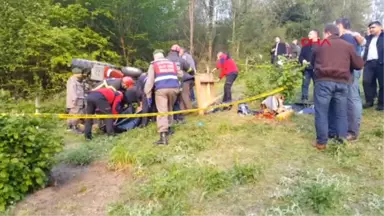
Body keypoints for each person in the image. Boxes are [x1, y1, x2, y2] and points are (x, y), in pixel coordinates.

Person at [311, 24, 364, 150]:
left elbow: (312, 63)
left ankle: (321, 142)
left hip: (323, 81)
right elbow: (359, 64)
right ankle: (341, 141)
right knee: (341, 113)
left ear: (327, 33)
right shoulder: (348, 46)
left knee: (321, 112)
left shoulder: (319, 45)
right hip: (342, 83)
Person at [144, 49, 183, 145]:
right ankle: (169, 129)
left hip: (161, 90)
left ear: (154, 57)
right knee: (169, 109)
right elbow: (181, 74)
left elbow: (150, 82)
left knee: (162, 112)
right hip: (174, 89)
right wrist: (179, 84)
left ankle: (163, 137)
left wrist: (148, 95)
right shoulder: (172, 63)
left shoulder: (154, 65)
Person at [335, 18, 363, 141]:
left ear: (340, 26)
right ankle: (348, 127)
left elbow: (350, 58)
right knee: (350, 98)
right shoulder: (350, 37)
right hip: (351, 70)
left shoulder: (347, 38)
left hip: (351, 71)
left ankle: (352, 132)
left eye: (336, 26)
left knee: (352, 99)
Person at [167, 44, 193, 124]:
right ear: (178, 52)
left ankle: (172, 118)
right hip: (178, 83)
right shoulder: (181, 60)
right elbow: (190, 69)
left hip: (167, 83)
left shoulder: (165, 59)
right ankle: (179, 118)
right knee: (178, 100)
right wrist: (186, 73)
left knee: (170, 102)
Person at [362, 21, 384, 111]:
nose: (371, 29)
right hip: (369, 63)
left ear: (380, 27)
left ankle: (381, 103)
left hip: (381, 63)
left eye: (373, 27)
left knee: (382, 84)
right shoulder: (368, 38)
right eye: (370, 28)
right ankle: (369, 101)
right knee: (367, 82)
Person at [299, 30, 319, 102]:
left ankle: (316, 100)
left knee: (317, 85)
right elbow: (300, 56)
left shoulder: (321, 45)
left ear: (315, 35)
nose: (308, 35)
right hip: (307, 69)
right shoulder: (305, 46)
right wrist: (303, 60)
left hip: (316, 69)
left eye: (310, 34)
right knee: (305, 84)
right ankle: (304, 99)